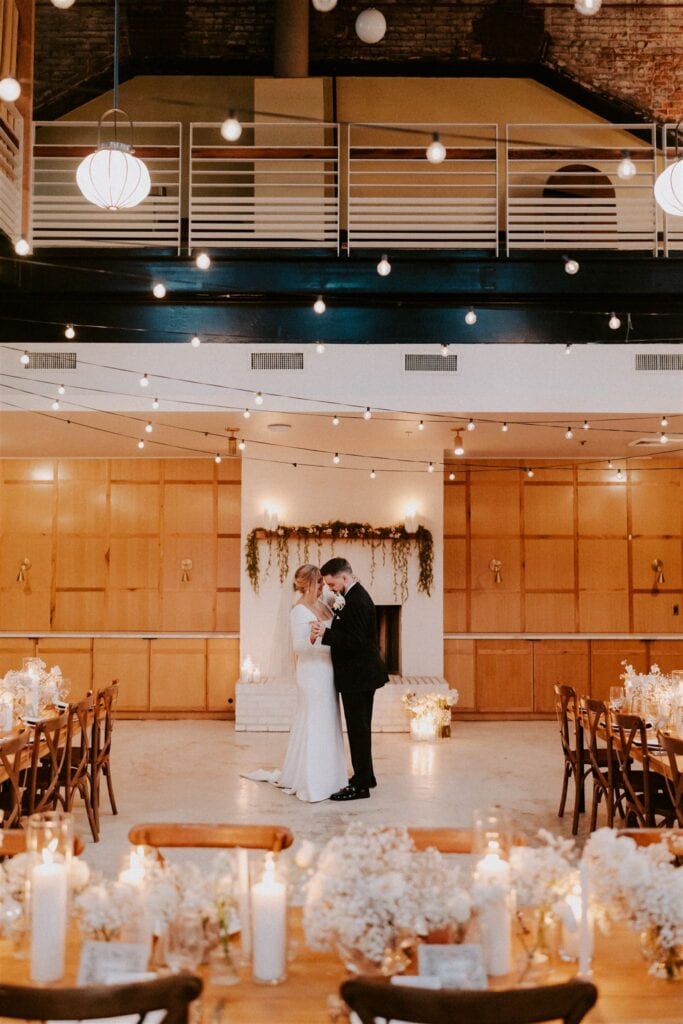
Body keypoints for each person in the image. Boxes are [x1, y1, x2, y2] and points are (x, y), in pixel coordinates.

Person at [241, 564, 347, 802]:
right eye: (319, 582)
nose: (322, 586)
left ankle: (332, 777)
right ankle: (313, 780)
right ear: (308, 583)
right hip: (312, 673)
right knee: (314, 721)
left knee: (329, 721)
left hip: (328, 671)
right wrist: (314, 637)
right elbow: (299, 647)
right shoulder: (298, 611)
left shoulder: (322, 604)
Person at [312, 557, 388, 801]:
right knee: (359, 729)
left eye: (332, 585)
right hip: (360, 675)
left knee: (358, 730)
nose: (331, 590)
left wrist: (326, 633)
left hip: (359, 676)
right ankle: (367, 776)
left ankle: (361, 785)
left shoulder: (358, 601)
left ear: (344, 578)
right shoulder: (352, 596)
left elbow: (356, 642)